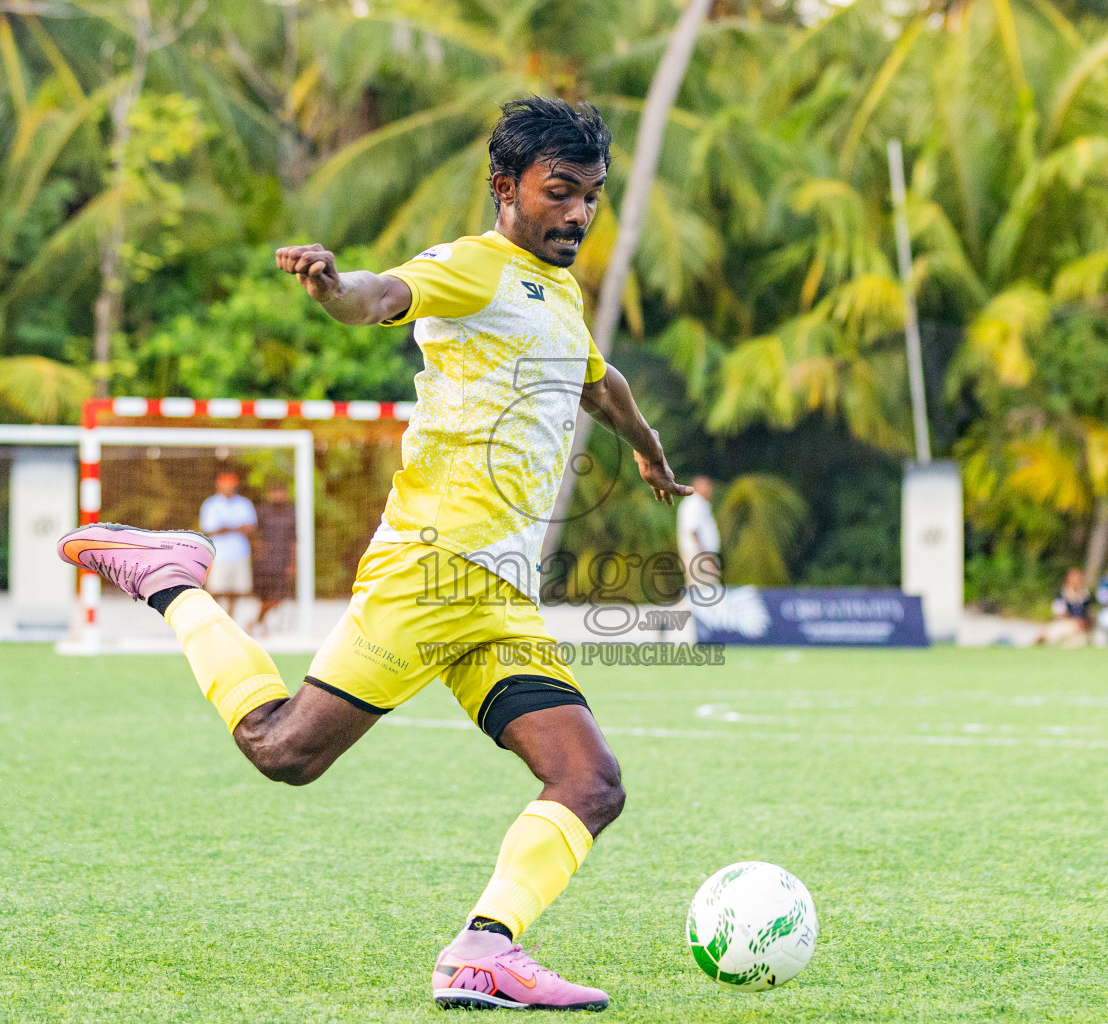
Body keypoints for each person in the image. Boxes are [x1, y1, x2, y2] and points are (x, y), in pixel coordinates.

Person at [57, 98, 690, 1013]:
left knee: (590, 782)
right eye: (562, 193)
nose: (580, 215)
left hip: (500, 598)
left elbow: (600, 379)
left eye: (592, 196)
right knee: (284, 752)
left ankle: (484, 952)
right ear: (507, 188)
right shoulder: (471, 266)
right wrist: (331, 286)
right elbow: (382, 294)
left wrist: (651, 451)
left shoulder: (560, 294)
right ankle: (169, 583)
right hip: (431, 570)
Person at [198, 472, 258, 617]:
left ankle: (230, 618)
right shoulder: (211, 504)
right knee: (216, 589)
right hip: (220, 554)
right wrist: (236, 528)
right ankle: (215, 617)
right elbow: (208, 529)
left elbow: (249, 528)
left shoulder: (244, 503)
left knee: (236, 590)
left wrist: (226, 528)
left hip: (239, 553)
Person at [250, 481, 297, 636]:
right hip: (264, 563)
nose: (278, 495)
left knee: (278, 598)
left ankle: (256, 621)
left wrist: (293, 563)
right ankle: (260, 624)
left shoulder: (292, 513)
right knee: (263, 596)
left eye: (281, 492)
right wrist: (257, 553)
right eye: (275, 492)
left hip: (282, 561)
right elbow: (254, 534)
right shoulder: (262, 512)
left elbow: (294, 541)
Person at [676, 474, 720, 589]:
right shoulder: (694, 503)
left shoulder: (700, 504)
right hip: (698, 556)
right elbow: (693, 531)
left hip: (700, 555)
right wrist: (706, 556)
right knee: (704, 592)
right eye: (707, 486)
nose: (710, 490)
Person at [1047, 567, 1094, 646]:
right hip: (1065, 624)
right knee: (1054, 634)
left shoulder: (1086, 595)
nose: (1077, 580)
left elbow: (1090, 615)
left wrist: (1085, 624)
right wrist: (1075, 622)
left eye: (1078, 578)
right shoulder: (1061, 594)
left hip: (1082, 628)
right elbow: (1060, 615)